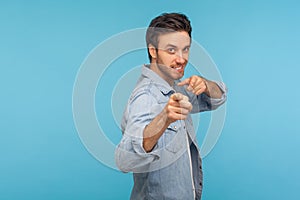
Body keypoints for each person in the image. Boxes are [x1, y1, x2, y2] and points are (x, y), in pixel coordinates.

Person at [115, 12, 227, 200]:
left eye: (186, 49)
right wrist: (164, 118)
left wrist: (205, 85)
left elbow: (219, 97)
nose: (182, 59)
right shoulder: (146, 97)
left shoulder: (176, 88)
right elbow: (124, 160)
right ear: (153, 51)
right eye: (171, 50)